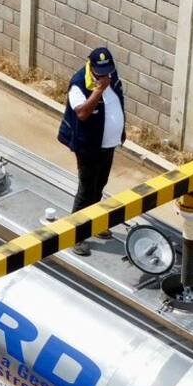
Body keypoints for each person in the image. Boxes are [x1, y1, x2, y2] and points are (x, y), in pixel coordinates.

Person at [56, 46, 126, 256]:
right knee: (86, 190)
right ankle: (75, 235)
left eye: (107, 71)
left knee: (100, 185)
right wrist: (98, 90)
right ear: (91, 66)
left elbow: (117, 104)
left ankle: (94, 223)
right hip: (88, 146)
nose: (104, 76)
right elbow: (82, 113)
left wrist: (120, 130)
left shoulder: (112, 77)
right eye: (100, 72)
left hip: (108, 144)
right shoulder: (79, 83)